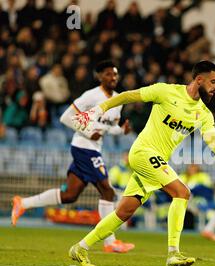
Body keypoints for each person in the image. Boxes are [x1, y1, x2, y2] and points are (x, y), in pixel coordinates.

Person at [68, 61, 215, 266]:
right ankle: (173, 253)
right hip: (143, 153)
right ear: (198, 79)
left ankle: (80, 247)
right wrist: (97, 110)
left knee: (124, 212)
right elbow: (127, 95)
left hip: (157, 161)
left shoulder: (204, 114)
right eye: (213, 81)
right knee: (182, 192)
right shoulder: (165, 91)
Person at [11, 60, 135, 253]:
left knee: (70, 195)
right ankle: (110, 242)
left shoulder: (118, 100)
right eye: (108, 74)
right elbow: (66, 117)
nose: (113, 78)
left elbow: (107, 128)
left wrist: (121, 131)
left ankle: (23, 203)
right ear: (99, 76)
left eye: (115, 74)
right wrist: (87, 130)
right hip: (84, 147)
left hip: (94, 148)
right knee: (107, 192)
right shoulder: (91, 96)